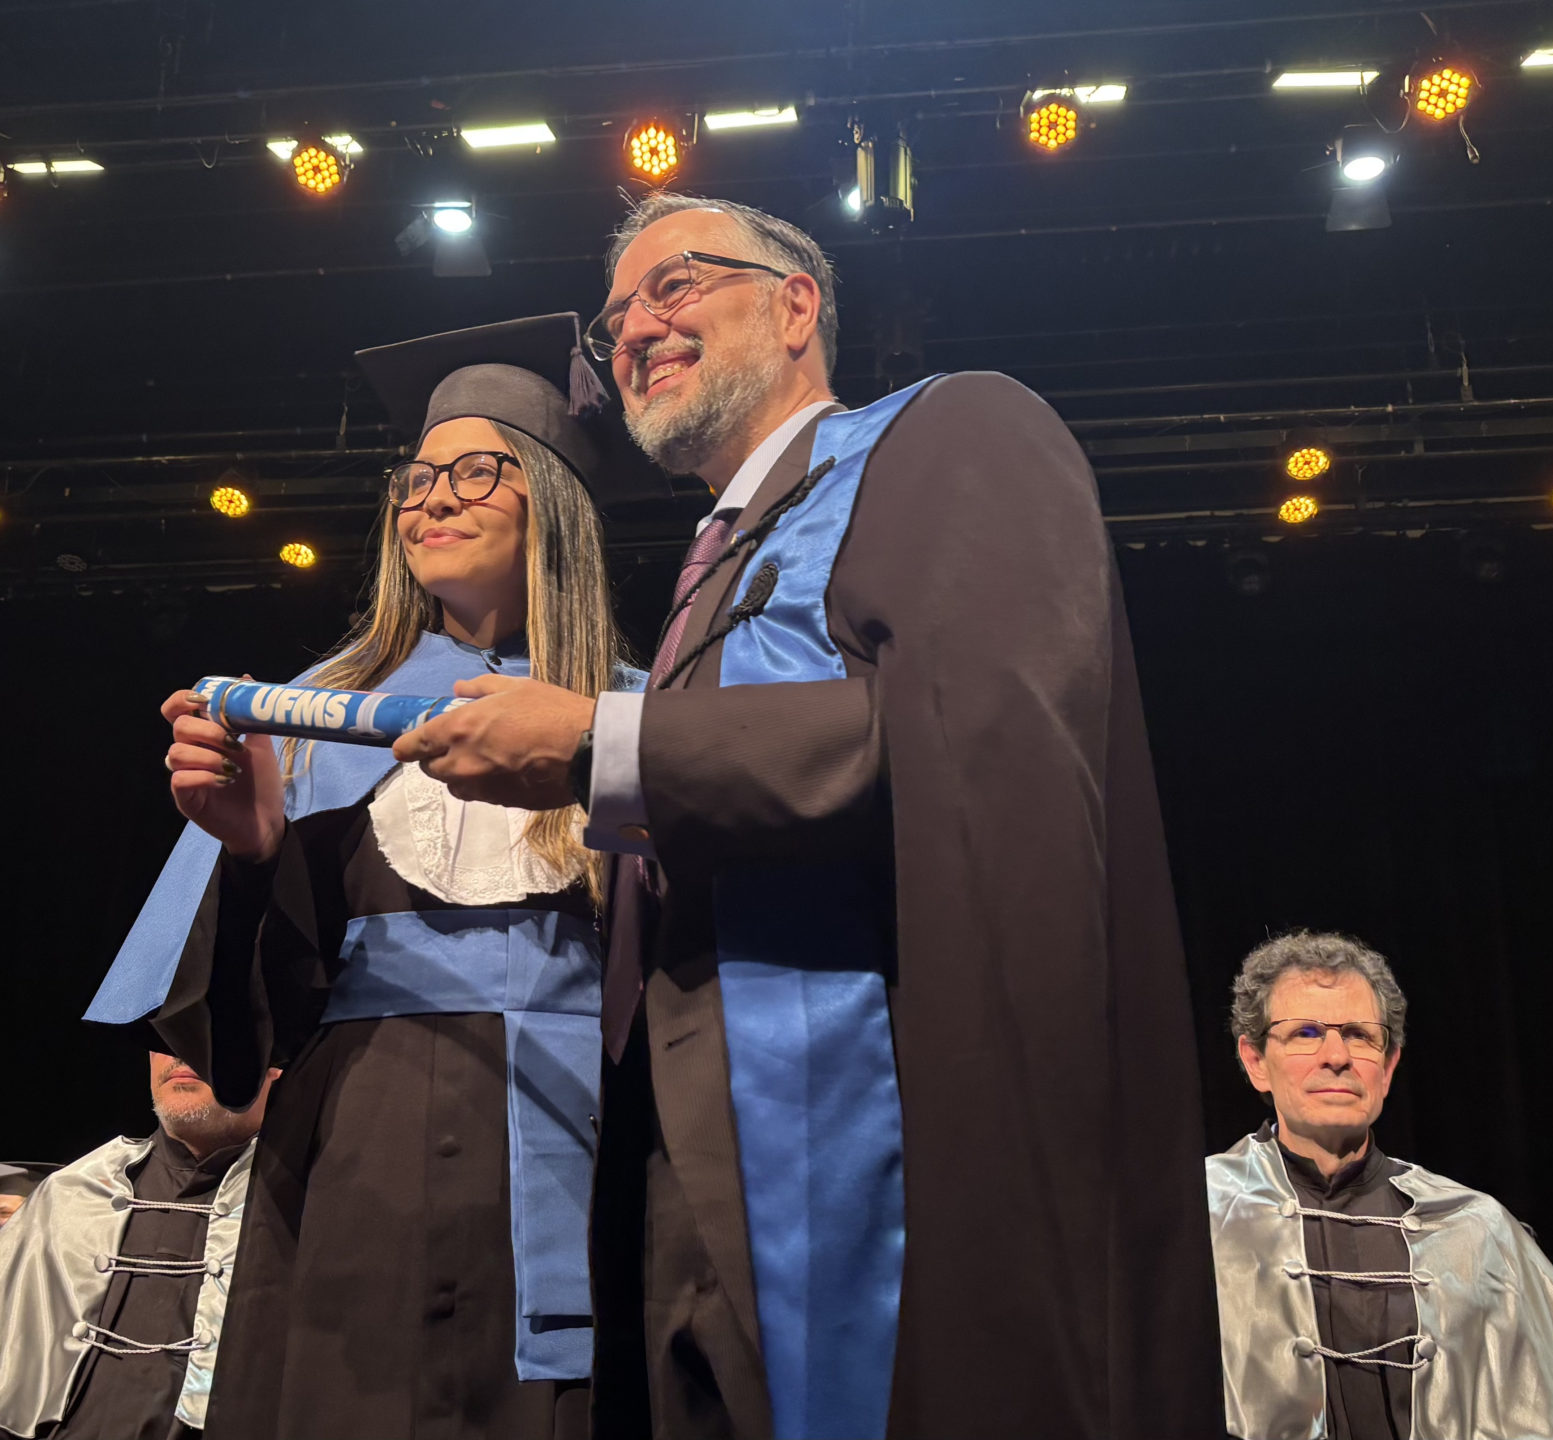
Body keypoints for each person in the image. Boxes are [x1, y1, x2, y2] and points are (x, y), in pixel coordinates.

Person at [387, 190, 1222, 1438]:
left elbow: (971, 739)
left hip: (865, 1139)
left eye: (674, 285)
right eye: (615, 317)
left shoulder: (945, 436)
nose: (634, 330)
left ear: (795, 307)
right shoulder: (707, 569)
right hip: (683, 1159)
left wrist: (601, 744)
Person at [84, 312, 655, 1440]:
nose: (432, 500)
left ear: (553, 501)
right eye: (416, 480)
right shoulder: (310, 717)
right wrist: (253, 855)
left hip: (575, 1143)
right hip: (357, 1153)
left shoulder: (634, 722)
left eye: (475, 472)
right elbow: (237, 1046)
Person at [1205, 932, 1553, 1439]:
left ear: (1387, 1067)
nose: (1336, 1055)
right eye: (1306, 1033)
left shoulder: (1473, 1228)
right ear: (1255, 1061)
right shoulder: (1201, 1214)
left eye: (1359, 1035)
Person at [0, 1053, 281, 1439]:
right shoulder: (73, 1194)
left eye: (214, 1027)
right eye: (165, 1033)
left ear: (275, 1063)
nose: (180, 1050)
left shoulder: (301, 1212)